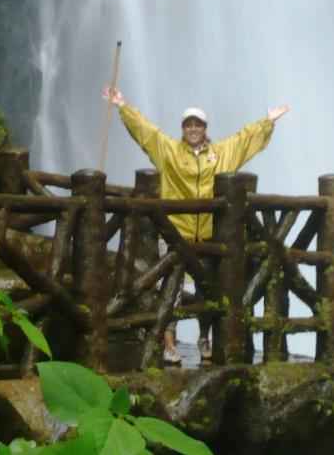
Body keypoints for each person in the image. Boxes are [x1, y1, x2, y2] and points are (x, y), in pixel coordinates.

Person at [103, 86, 289, 364]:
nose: (193, 129)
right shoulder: (169, 152)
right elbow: (146, 132)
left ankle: (204, 339)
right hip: (175, 232)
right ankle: (169, 345)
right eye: (188, 125)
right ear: (183, 128)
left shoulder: (218, 154)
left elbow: (242, 140)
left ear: (204, 128)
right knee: (172, 290)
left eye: (197, 125)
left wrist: (267, 122)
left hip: (209, 235)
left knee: (208, 289)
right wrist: (122, 106)